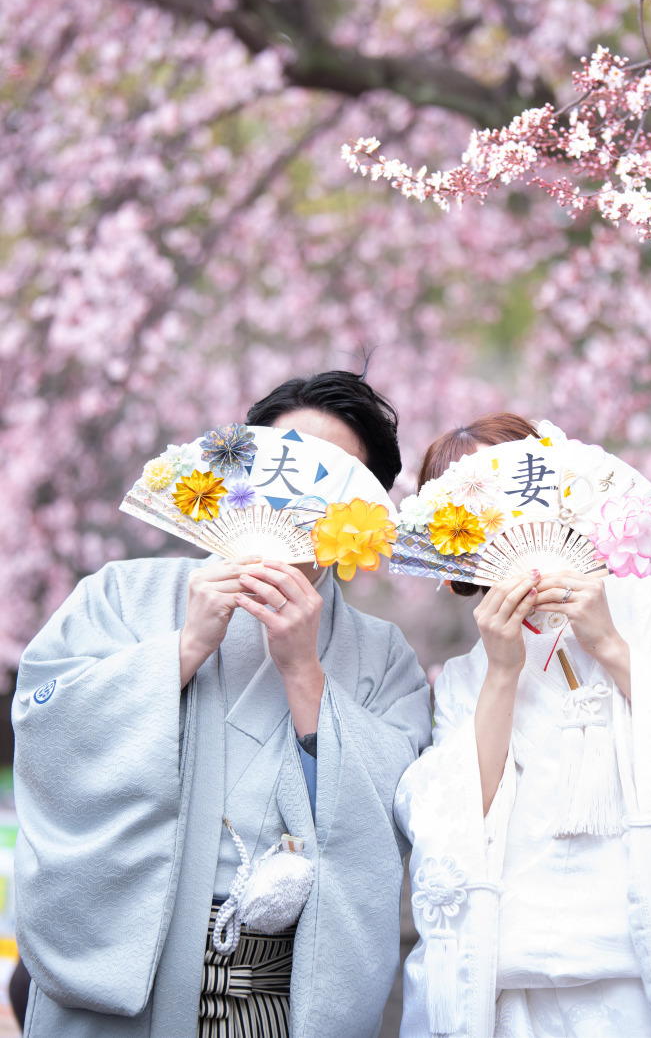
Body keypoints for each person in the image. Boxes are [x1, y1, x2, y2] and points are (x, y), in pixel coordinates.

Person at [13, 370, 432, 1038]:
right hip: (130, 968)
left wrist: (306, 675)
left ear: (367, 511)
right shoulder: (123, 594)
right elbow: (48, 727)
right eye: (285, 461)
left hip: (277, 997)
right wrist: (183, 649)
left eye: (332, 479)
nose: (300, 496)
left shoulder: (382, 656)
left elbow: (389, 819)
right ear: (242, 465)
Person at [394, 413, 651, 1038]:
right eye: (476, 510)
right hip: (525, 964)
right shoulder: (470, 670)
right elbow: (455, 815)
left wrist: (610, 644)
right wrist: (501, 671)